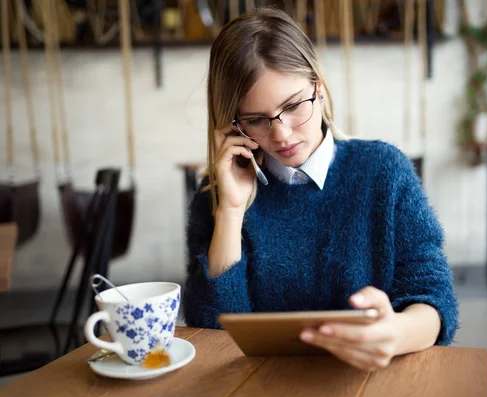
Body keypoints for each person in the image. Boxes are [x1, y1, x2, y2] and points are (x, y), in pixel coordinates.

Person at [183, 7, 458, 372]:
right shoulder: (215, 196)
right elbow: (212, 332)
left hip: (368, 381)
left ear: (319, 88)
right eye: (255, 120)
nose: (281, 134)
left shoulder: (383, 171)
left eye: (294, 106)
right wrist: (231, 213)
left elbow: (435, 298)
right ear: (232, 124)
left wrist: (397, 332)